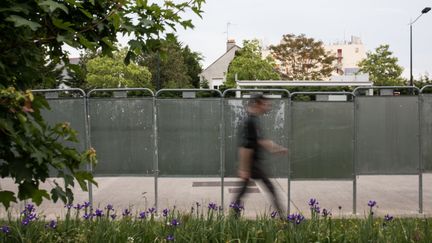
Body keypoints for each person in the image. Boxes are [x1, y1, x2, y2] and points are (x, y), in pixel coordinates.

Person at [233, 94, 288, 217]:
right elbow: (245, 147)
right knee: (270, 188)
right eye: (265, 104)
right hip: (252, 165)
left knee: (242, 193)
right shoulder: (250, 121)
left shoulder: (253, 119)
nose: (267, 106)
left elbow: (261, 141)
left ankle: (234, 217)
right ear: (257, 104)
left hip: (253, 164)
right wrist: (244, 169)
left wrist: (278, 149)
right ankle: (283, 218)